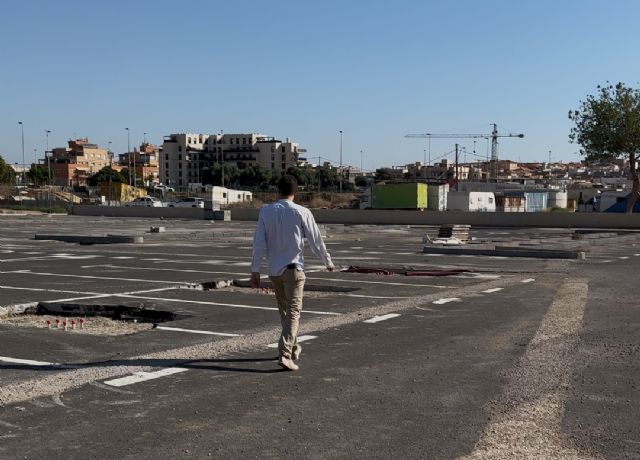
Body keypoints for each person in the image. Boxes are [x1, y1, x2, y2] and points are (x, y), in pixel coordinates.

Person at [251, 175, 334, 371]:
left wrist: (255, 270)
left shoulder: (265, 211)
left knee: (285, 312)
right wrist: (327, 261)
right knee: (294, 312)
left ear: (277, 191)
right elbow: (315, 240)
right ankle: (285, 353)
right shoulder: (302, 212)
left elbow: (258, 243)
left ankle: (294, 347)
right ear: (295, 193)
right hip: (294, 269)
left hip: (274, 271)